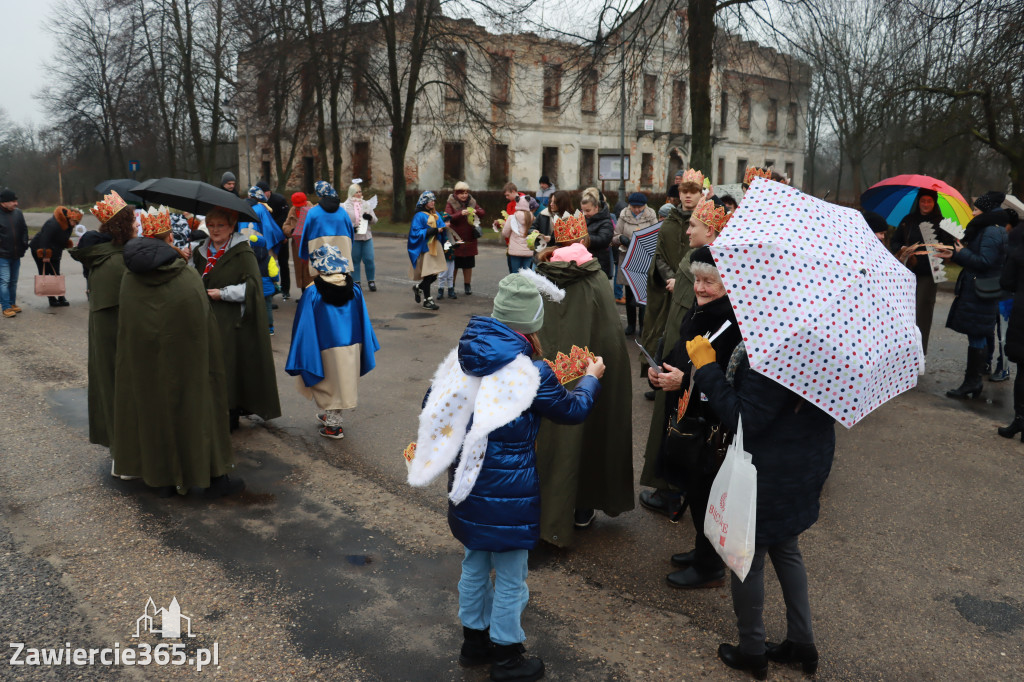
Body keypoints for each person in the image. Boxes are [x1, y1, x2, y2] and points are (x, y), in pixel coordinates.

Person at [408, 272, 605, 682]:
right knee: (513, 574)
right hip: (511, 490)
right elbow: (573, 411)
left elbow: (434, 407)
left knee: (475, 563)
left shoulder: (462, 357)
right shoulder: (529, 372)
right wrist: (591, 379)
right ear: (531, 323)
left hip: (467, 484)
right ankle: (507, 656)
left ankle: (473, 643)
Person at [687, 333, 835, 679]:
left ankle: (752, 650)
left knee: (746, 557)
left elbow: (743, 418)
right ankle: (802, 643)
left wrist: (706, 368)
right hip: (806, 462)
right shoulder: (829, 343)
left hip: (768, 470)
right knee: (786, 547)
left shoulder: (777, 347)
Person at [112, 207, 243, 499]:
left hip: (146, 367)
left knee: (153, 411)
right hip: (189, 364)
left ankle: (163, 479)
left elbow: (128, 329)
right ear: (170, 238)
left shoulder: (129, 279)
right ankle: (211, 476)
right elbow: (204, 327)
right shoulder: (186, 277)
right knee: (197, 409)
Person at [647, 246, 741, 588]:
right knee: (698, 492)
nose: (700, 288)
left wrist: (682, 379)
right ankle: (702, 551)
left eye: (709, 282)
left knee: (707, 494)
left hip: (712, 424)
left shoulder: (733, 323)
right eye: (698, 279)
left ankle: (710, 565)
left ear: (728, 283)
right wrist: (658, 374)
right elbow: (680, 353)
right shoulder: (700, 311)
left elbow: (725, 377)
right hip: (690, 416)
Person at [532, 236, 634, 542]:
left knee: (549, 436)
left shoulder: (539, 279)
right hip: (592, 369)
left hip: (547, 371)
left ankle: (545, 511)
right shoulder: (597, 277)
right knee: (588, 429)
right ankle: (582, 506)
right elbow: (611, 336)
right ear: (583, 244)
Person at [638, 170, 707, 515]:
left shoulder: (706, 263)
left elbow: (694, 312)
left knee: (678, 420)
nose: (688, 229)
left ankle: (672, 493)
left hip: (683, 351)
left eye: (695, 225)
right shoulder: (674, 233)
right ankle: (673, 489)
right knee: (673, 417)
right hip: (677, 340)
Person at [192, 207, 282, 430]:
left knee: (228, 366)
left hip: (232, 318)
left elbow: (253, 288)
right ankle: (211, 409)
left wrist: (222, 293)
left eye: (220, 225)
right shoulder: (200, 252)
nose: (215, 230)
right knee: (208, 364)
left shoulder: (243, 252)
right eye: (211, 225)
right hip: (205, 316)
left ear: (232, 226)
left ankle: (231, 412)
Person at [286, 245, 380, 439]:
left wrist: (302, 347)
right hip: (352, 344)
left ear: (319, 267)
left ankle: (333, 426)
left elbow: (304, 324)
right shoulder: (354, 288)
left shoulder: (313, 292)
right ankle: (331, 415)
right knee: (343, 383)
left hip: (323, 345)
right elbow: (363, 318)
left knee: (327, 383)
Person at [69, 191, 135, 452]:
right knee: (119, 390)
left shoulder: (106, 254)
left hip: (107, 336)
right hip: (116, 340)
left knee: (112, 389)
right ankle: (124, 451)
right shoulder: (116, 260)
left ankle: (120, 449)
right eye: (132, 222)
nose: (137, 226)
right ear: (123, 225)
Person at [936, 191, 1009, 399]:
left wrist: (962, 253)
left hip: (981, 290)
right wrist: (955, 255)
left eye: (976, 209)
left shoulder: (991, 231)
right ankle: (973, 381)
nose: (973, 213)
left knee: (977, 334)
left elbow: (985, 262)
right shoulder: (990, 228)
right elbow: (979, 259)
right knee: (977, 334)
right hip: (980, 289)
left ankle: (972, 382)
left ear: (985, 210)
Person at [640, 175, 698, 381]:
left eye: (693, 192)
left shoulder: (703, 223)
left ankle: (680, 379)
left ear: (701, 194)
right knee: (662, 334)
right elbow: (658, 255)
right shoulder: (669, 222)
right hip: (666, 290)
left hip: (691, 289)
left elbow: (702, 256)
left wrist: (682, 281)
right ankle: (659, 375)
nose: (688, 196)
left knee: (683, 334)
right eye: (684, 192)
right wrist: (670, 279)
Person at [890, 189, 951, 354]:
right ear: (919, 202)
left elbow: (948, 249)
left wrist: (938, 250)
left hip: (929, 274)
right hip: (907, 271)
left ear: (934, 203)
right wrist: (902, 248)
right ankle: (901, 351)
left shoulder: (941, 223)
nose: (925, 204)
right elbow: (894, 241)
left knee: (922, 313)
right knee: (903, 312)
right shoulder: (908, 220)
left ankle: (918, 353)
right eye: (923, 201)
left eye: (929, 201)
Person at [616, 192, 659, 335]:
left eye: (639, 207)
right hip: (627, 257)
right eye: (634, 207)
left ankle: (643, 326)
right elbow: (615, 236)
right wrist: (621, 238)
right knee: (629, 294)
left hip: (644, 258)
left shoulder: (651, 215)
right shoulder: (624, 215)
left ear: (644, 206)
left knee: (642, 294)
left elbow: (656, 235)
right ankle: (630, 325)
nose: (636, 210)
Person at [998, 213, 1024, 439]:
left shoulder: (1018, 247)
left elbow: (1006, 282)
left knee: (1023, 371)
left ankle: (1019, 420)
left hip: (1022, 312)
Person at [29, 206, 83, 307]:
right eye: (74, 222)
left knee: (56, 273)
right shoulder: (53, 224)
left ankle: (61, 296)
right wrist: (45, 254)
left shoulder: (69, 225)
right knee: (47, 274)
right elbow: (45, 239)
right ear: (69, 218)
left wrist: (67, 243)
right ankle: (52, 299)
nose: (75, 225)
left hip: (55, 250)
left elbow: (61, 237)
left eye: (77, 223)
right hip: (40, 248)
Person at [407, 191, 449, 310]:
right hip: (426, 248)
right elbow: (415, 233)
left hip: (436, 246)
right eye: (430, 200)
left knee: (434, 274)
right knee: (429, 274)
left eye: (434, 200)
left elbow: (441, 226)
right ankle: (427, 300)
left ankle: (419, 288)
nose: (433, 202)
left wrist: (443, 228)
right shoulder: (419, 216)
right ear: (424, 202)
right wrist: (434, 230)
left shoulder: (435, 214)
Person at [446, 181, 485, 296]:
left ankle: (467, 286)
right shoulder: (450, 203)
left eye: (466, 193)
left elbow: (482, 212)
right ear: (456, 194)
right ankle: (450, 286)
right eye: (461, 193)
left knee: (468, 264)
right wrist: (460, 213)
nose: (464, 195)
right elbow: (448, 217)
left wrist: (475, 211)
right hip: (455, 238)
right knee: (454, 265)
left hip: (470, 239)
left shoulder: (472, 202)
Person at [258, 180, 292, 301]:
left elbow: (286, 218)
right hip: (266, 237)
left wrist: (284, 236)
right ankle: (271, 289)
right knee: (267, 263)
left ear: (269, 192)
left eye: (264, 192)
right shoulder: (259, 203)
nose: (262, 195)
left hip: (280, 236)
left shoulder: (279, 200)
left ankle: (285, 289)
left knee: (283, 263)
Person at [342, 180, 378, 292]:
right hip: (354, 238)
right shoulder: (345, 206)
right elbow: (343, 222)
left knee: (369, 259)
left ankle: (371, 281)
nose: (359, 194)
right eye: (357, 192)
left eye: (360, 191)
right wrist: (351, 228)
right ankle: (356, 282)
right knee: (355, 260)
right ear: (351, 193)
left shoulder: (366, 204)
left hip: (366, 236)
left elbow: (375, 220)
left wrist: (370, 218)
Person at [0, 188, 28, 318]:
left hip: (16, 254)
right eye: (12, 201)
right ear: (3, 202)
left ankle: (11, 303)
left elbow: (24, 230)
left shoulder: (18, 213)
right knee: (4, 281)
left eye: (16, 201)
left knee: (13, 281)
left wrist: (24, 244)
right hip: (2, 256)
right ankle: (5, 307)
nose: (16, 203)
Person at [579, 187, 614, 278]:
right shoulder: (581, 219)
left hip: (598, 264)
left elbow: (603, 240)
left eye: (588, 211)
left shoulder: (606, 222)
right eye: (583, 211)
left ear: (596, 207)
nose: (585, 213)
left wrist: (583, 238)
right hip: (584, 263)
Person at [283, 191, 314, 291]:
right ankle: (303, 292)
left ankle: (311, 294)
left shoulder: (312, 209)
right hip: (297, 245)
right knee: (300, 269)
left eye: (301, 206)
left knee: (309, 270)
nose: (299, 208)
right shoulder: (292, 210)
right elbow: (285, 225)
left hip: (310, 244)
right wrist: (291, 230)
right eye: (297, 206)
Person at [502, 196, 535, 273]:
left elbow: (505, 234)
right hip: (528, 251)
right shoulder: (532, 218)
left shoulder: (512, 218)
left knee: (515, 275)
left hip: (515, 251)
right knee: (526, 276)